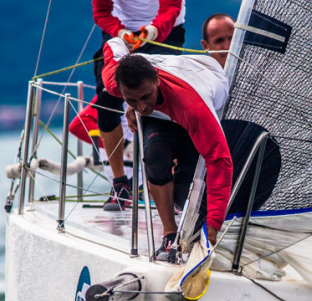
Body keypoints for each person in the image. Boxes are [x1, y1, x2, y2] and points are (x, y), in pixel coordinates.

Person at [99, 33, 232, 262]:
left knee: (187, 193)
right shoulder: (115, 82)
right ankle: (170, 233)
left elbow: (220, 162)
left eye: (144, 96)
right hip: (163, 107)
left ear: (157, 80)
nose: (141, 105)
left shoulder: (193, 106)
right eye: (131, 100)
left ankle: (195, 223)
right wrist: (127, 38)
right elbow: (112, 46)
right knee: (155, 155)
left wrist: (213, 226)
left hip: (200, 85)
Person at [91, 0, 187, 211]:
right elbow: (101, 12)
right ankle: (120, 183)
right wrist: (121, 33)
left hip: (165, 31)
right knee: (107, 97)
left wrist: (151, 33)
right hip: (121, 31)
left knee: (159, 102)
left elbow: (170, 10)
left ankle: (165, 180)